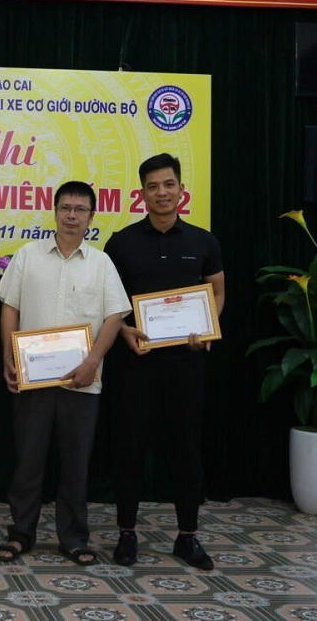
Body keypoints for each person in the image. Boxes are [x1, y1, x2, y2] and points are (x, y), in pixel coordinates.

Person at [0, 181, 131, 565]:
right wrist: (8, 355)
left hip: (82, 382)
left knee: (75, 465)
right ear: (54, 212)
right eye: (66, 208)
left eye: (80, 209)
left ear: (91, 216)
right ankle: (21, 533)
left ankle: (73, 538)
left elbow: (114, 316)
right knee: (28, 461)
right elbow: (10, 307)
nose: (72, 215)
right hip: (32, 380)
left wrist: (92, 362)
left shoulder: (101, 263)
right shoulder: (28, 255)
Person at [104, 153, 225, 571]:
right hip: (135, 364)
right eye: (153, 186)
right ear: (141, 194)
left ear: (181, 190)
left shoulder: (204, 242)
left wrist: (207, 327)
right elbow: (109, 303)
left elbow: (217, 292)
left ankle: (187, 536)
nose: (161, 193)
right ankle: (126, 534)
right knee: (129, 448)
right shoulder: (121, 243)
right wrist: (124, 331)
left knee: (186, 450)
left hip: (187, 365)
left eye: (168, 184)